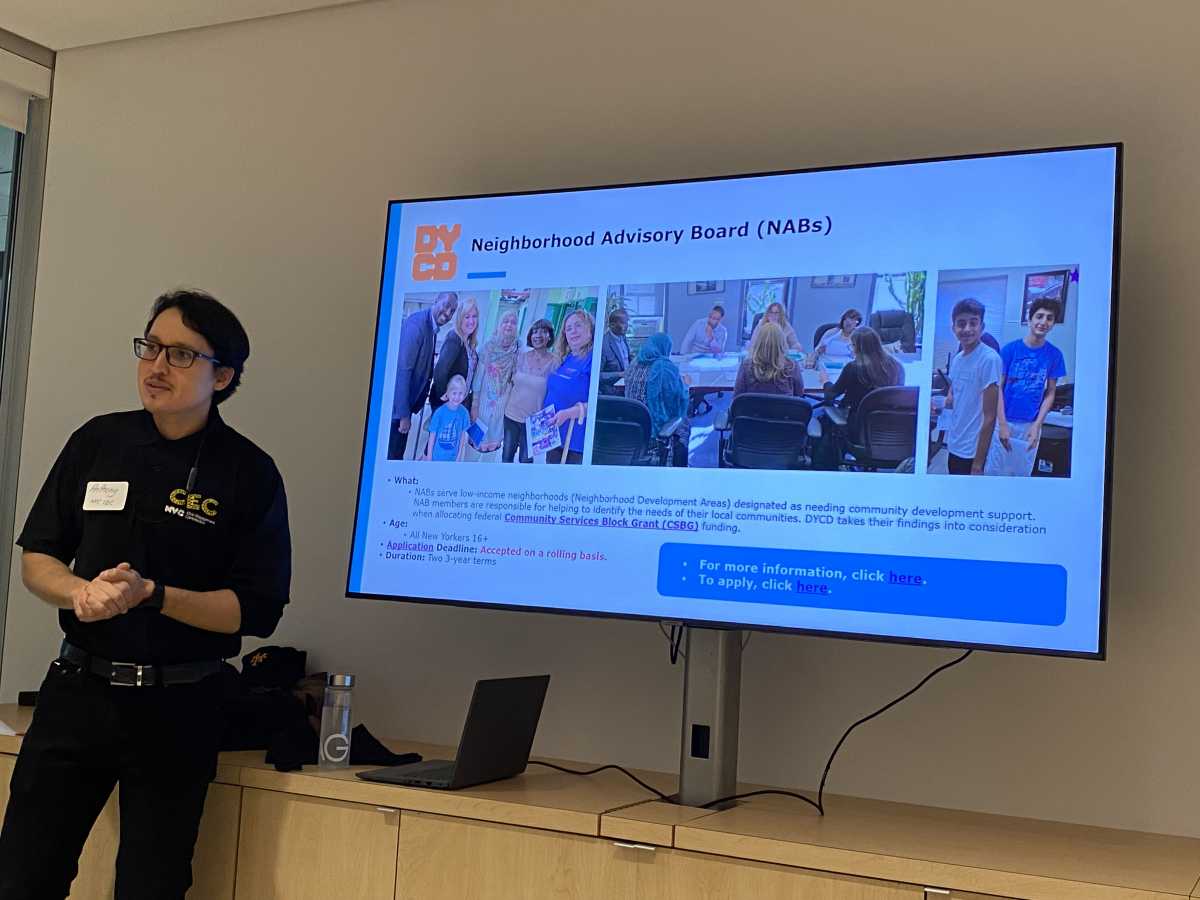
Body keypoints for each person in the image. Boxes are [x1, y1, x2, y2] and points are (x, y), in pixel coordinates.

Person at [0, 290, 291, 899]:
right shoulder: (98, 441)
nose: (156, 366)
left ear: (225, 375)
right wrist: (81, 592)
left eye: (182, 354)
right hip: (77, 693)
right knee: (23, 873)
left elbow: (255, 610)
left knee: (150, 885)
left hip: (178, 705)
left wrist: (153, 595)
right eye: (151, 347)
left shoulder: (248, 472)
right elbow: (38, 558)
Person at [985, 298, 1067, 476]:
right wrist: (1002, 423)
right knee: (995, 473)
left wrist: (1037, 425)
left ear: (1053, 324)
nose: (1043, 322)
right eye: (1039, 316)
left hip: (1030, 424)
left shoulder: (1055, 355)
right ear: (1030, 320)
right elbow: (998, 387)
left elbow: (1051, 392)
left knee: (1021, 473)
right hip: (1005, 420)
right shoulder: (1009, 350)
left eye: (1049, 318)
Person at [388, 291, 458, 459]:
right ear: (436, 301)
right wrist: (404, 414)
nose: (448, 313)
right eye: (446, 305)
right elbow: (403, 371)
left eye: (453, 310)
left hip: (405, 407)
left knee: (397, 454)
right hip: (397, 411)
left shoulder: (431, 327)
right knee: (393, 456)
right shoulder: (417, 325)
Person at [942, 297, 1002, 475]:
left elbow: (990, 417)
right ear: (953, 328)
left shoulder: (989, 359)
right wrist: (945, 402)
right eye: (961, 324)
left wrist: (978, 463)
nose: (967, 329)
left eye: (973, 323)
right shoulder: (958, 359)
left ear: (982, 327)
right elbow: (958, 395)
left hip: (973, 451)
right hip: (955, 443)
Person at [623, 332, 691, 466]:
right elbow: (676, 401)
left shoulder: (633, 364)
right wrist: (686, 385)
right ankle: (681, 472)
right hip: (655, 433)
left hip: (633, 429)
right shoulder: (665, 367)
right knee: (684, 426)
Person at [502, 319, 560, 463]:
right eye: (534, 331)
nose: (538, 335)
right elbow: (508, 381)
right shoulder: (521, 357)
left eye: (543, 331)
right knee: (506, 457)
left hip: (536, 421)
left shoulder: (556, 362)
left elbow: (556, 392)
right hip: (511, 415)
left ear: (550, 336)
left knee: (526, 461)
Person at [543, 309, 594, 464]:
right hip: (554, 435)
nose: (573, 332)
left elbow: (597, 405)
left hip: (574, 441)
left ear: (590, 329)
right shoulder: (567, 357)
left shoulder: (593, 359)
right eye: (569, 328)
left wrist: (569, 413)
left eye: (578, 325)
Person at [819, 325, 904, 417]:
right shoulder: (897, 365)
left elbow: (830, 395)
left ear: (857, 346)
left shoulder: (853, 368)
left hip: (856, 421)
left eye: (851, 345)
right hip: (887, 420)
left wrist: (826, 381)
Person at [470, 309, 520, 455]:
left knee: (491, 456)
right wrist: (474, 404)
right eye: (505, 321)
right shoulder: (488, 347)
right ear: (499, 325)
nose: (509, 325)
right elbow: (478, 378)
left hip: (501, 411)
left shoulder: (518, 350)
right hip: (482, 408)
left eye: (513, 322)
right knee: (473, 452)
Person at [430, 296, 480, 417]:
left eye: (474, 317)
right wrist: (445, 397)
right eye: (467, 317)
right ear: (459, 319)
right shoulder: (454, 338)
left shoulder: (469, 342)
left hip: (458, 402)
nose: (471, 321)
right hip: (447, 404)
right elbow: (440, 370)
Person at [734, 321, 806, 396]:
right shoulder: (792, 366)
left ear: (759, 342)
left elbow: (737, 397)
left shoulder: (746, 366)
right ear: (782, 343)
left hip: (754, 407)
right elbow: (799, 394)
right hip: (784, 407)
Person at [424, 374, 471, 461]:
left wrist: (459, 457)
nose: (457, 397)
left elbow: (462, 437)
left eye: (460, 393)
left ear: (464, 394)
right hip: (436, 458)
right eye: (454, 393)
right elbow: (432, 437)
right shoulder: (439, 413)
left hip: (452, 459)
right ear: (448, 393)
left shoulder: (464, 413)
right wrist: (429, 458)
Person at [599, 307, 631, 395]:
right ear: (612, 325)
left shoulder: (623, 338)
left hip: (625, 389)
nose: (627, 326)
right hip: (611, 394)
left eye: (627, 322)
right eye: (624, 323)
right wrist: (620, 374)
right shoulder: (603, 345)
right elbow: (597, 376)